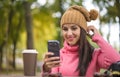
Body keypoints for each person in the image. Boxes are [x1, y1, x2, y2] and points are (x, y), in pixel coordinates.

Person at [41, 5, 120, 77]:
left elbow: (116, 60)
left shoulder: (94, 54)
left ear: (82, 30)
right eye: (65, 29)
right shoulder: (59, 55)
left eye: (74, 28)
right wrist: (46, 69)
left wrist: (98, 38)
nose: (69, 33)